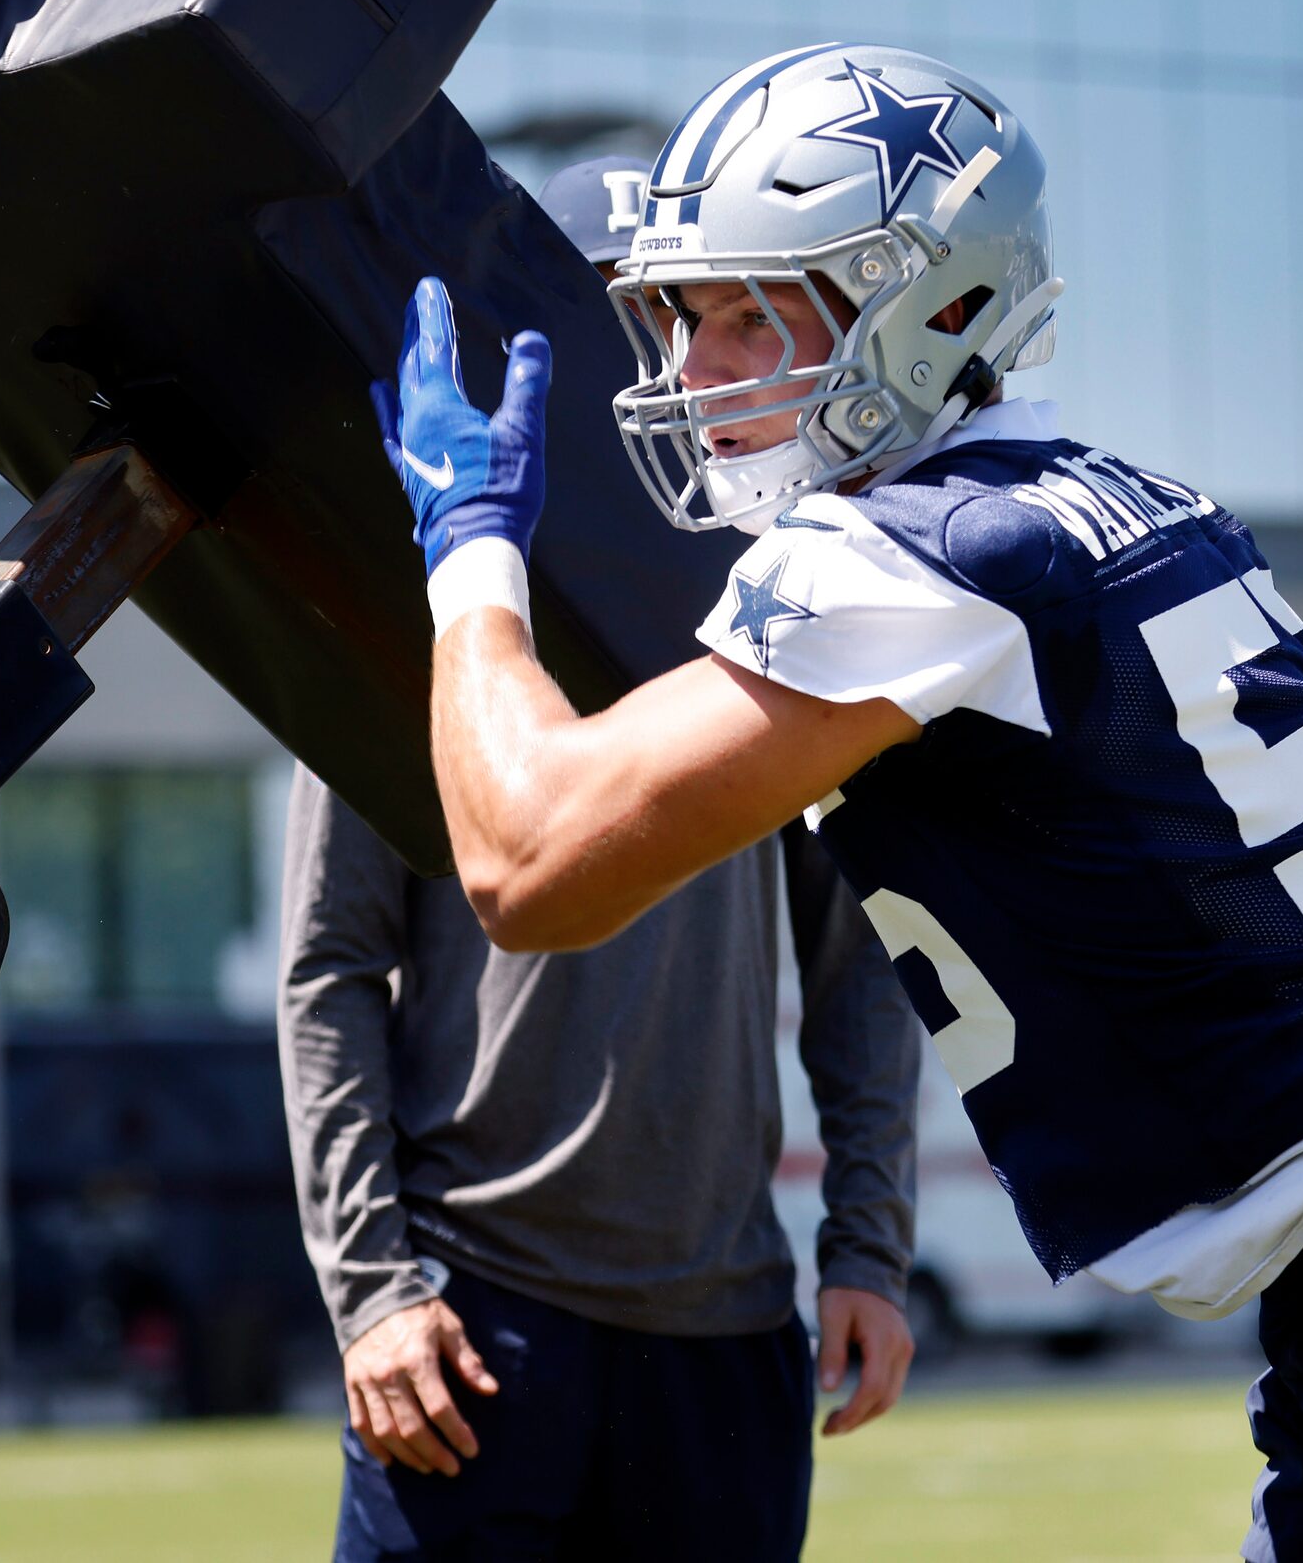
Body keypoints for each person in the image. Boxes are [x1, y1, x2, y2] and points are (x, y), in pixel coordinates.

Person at [367, 44, 1303, 1563]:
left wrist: (472, 558)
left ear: (930, 305)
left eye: (751, 311)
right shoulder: (1092, 495)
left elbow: (532, 859)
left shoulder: (906, 550)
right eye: (687, 313)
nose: (699, 367)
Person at [282, 153, 921, 1563]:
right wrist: (374, 1288)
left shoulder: (780, 598)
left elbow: (859, 949)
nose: (673, 362)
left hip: (726, 1322)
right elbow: (329, 969)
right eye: (634, 323)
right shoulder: (434, 614)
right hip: (472, 1318)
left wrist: (868, 1247)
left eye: (686, 322)